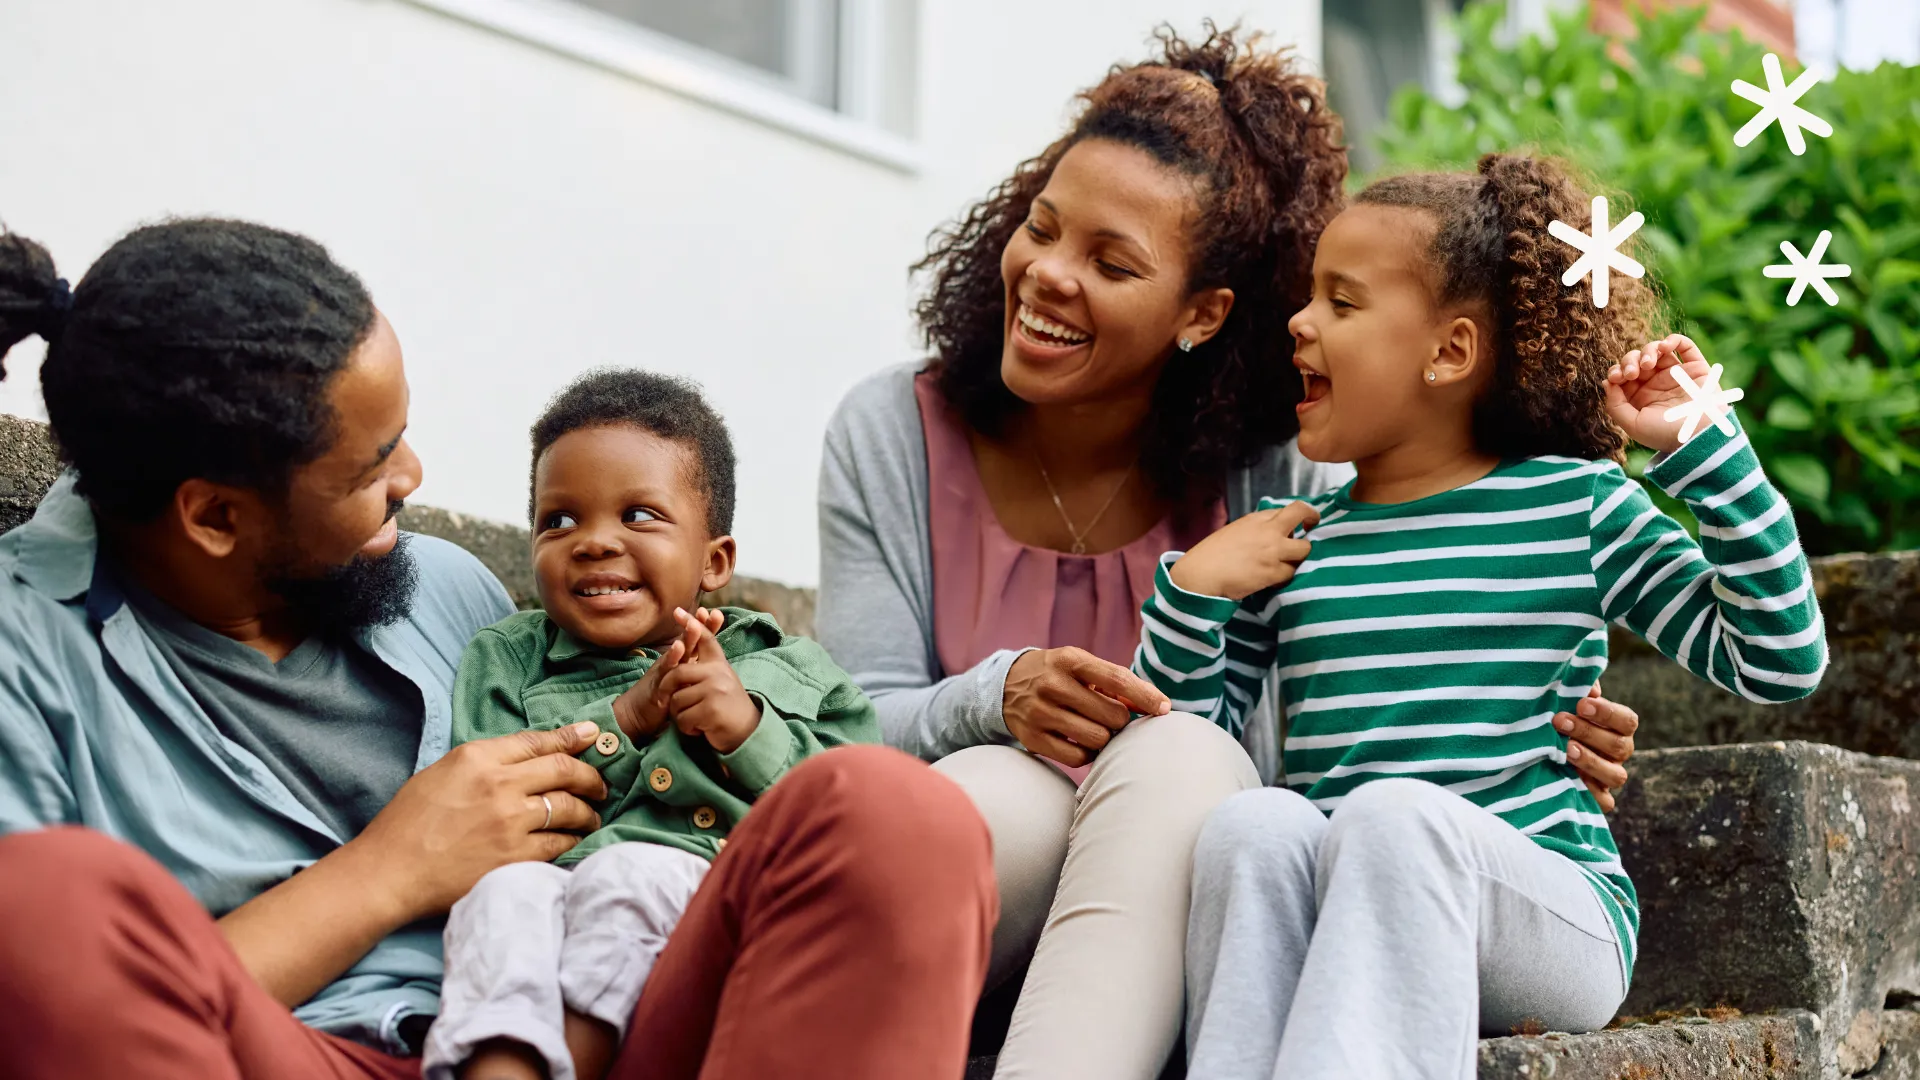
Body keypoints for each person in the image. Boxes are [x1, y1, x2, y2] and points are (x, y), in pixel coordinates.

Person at [816, 26, 1643, 1079]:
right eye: (1043, 228)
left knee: (1191, 765)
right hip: (980, 876)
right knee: (1013, 786)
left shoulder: (1280, 475)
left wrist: (1524, 713)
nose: (1048, 275)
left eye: (1112, 262)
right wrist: (996, 694)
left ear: (1204, 315)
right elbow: (837, 729)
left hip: (1183, 881)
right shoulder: (891, 431)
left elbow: (1362, 702)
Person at [0, 220, 995, 1080]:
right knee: (44, 907)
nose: (412, 476)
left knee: (900, 812)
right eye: (372, 463)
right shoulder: (23, 652)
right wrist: (389, 870)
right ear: (214, 515)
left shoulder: (445, 589)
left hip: (585, 1029)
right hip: (282, 1047)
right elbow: (57, 991)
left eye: (404, 436)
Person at [1138, 155, 1828, 1079]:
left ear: (1449, 352)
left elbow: (1777, 659)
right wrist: (1193, 598)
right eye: (1312, 297)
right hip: (1353, 902)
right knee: (1249, 829)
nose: (1300, 323)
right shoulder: (1293, 543)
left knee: (1391, 819)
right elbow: (1190, 757)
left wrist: (1705, 448)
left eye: (1342, 304)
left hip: (1548, 915)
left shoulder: (1574, 507)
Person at [426, 370, 882, 1080]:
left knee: (628, 871)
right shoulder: (508, 658)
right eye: (560, 520)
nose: (594, 541)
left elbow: (857, 805)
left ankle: (580, 1062)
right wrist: (626, 717)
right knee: (501, 897)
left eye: (638, 515)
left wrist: (747, 729)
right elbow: (484, 794)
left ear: (715, 561)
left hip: (704, 912)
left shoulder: (786, 668)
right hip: (547, 894)